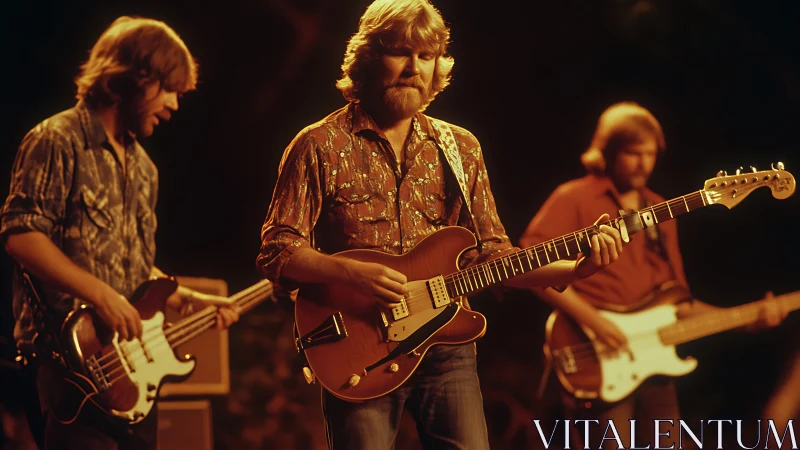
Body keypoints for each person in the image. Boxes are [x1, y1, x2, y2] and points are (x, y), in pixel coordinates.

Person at [256, 1, 624, 448]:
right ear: (368, 57)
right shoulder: (318, 145)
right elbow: (278, 248)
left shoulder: (460, 146)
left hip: (447, 345)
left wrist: (573, 271)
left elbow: (492, 253)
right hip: (358, 344)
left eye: (426, 56)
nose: (414, 68)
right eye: (400, 52)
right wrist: (351, 272)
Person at [0, 16, 239, 450]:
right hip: (71, 369)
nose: (175, 104)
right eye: (168, 89)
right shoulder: (56, 139)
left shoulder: (145, 169)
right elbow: (22, 235)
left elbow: (124, 261)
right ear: (133, 77)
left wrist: (182, 296)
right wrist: (102, 296)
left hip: (131, 376)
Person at [519, 101, 787, 449]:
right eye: (633, 152)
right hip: (595, 356)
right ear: (608, 151)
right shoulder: (574, 197)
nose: (643, 163)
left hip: (654, 365)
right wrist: (598, 324)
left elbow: (681, 304)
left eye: (650, 154)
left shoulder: (662, 211)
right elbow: (528, 267)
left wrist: (747, 320)